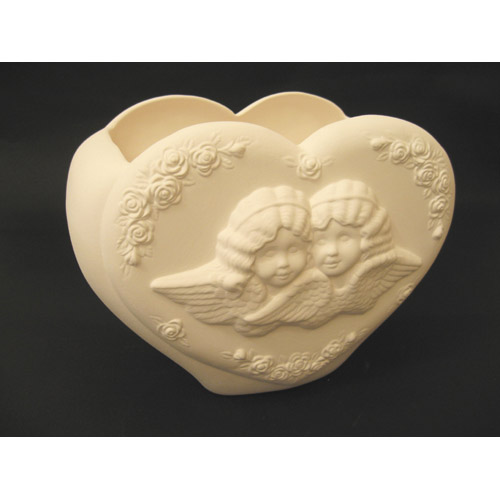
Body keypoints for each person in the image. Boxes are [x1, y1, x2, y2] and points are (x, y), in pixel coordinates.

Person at [151, 185, 329, 336]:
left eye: (294, 250)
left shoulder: (315, 281)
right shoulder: (239, 287)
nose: (283, 263)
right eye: (269, 253)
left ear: (308, 250)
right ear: (247, 258)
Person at [308, 179, 421, 325]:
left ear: (369, 237)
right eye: (321, 241)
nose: (332, 251)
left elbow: (414, 262)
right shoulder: (305, 283)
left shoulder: (381, 266)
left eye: (344, 238)